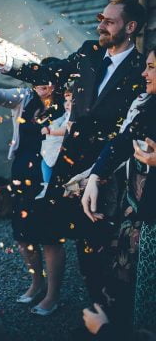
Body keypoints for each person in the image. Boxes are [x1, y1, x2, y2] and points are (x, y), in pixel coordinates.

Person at [0, 0, 146, 314]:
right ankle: (76, 306)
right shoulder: (89, 53)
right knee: (51, 232)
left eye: (109, 21)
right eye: (100, 18)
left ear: (130, 27)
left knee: (99, 251)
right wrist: (5, 61)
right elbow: (48, 74)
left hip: (105, 176)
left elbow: (128, 132)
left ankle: (104, 316)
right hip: (65, 170)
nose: (100, 25)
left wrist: (98, 172)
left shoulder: (141, 70)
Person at [0, 77, 62, 315]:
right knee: (22, 233)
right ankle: (36, 284)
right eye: (39, 79)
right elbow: (1, 95)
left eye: (48, 78)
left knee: (50, 236)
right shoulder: (26, 98)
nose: (41, 84)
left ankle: (52, 296)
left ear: (57, 82)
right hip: (22, 172)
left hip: (51, 176)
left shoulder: (66, 104)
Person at [82, 47, 156, 332]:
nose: (144, 73)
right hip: (140, 219)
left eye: (151, 67)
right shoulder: (149, 106)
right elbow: (123, 142)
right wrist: (93, 177)